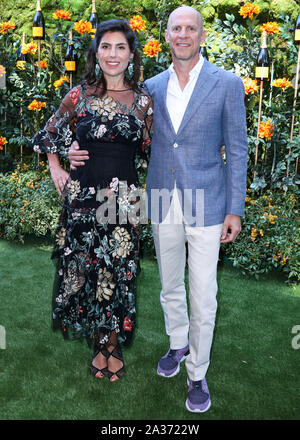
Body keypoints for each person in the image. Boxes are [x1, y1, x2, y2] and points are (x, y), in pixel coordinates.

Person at [69, 5, 248, 412]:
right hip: (163, 200)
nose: (183, 35)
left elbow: (237, 150)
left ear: (202, 35)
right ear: (165, 36)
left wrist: (234, 209)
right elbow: (118, 132)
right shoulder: (151, 87)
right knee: (170, 287)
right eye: (175, 28)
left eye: (191, 28)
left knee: (202, 294)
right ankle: (178, 344)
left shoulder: (227, 84)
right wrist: (76, 149)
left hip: (208, 202)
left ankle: (197, 375)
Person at [29, 19, 153, 382]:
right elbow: (47, 134)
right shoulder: (78, 95)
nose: (112, 55)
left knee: (118, 273)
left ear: (131, 55)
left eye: (120, 48)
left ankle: (111, 344)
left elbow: (150, 151)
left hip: (125, 201)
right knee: (86, 271)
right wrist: (58, 164)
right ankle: (100, 346)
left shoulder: (145, 101)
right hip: (82, 198)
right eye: (105, 47)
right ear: (96, 54)